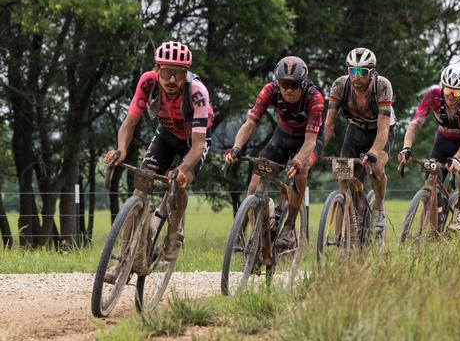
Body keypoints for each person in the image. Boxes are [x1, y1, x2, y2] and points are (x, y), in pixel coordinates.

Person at [104, 41, 214, 267]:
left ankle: (173, 237)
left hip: (194, 141)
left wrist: (181, 170)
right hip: (166, 134)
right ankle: (124, 258)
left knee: (180, 182)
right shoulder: (147, 81)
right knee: (141, 186)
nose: (172, 80)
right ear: (157, 70)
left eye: (179, 73)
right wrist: (121, 148)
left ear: (186, 73)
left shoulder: (197, 93)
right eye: (166, 72)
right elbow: (130, 122)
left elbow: (199, 145)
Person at [225, 56, 324, 250]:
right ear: (278, 82)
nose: (288, 89)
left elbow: (310, 141)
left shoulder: (315, 98)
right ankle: (259, 239)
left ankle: (289, 227)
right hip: (282, 135)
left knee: (301, 170)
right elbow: (250, 123)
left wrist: (296, 161)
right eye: (284, 84)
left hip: (309, 140)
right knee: (255, 183)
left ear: (303, 84)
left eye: (294, 85)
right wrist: (236, 148)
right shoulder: (270, 90)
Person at [397, 65, 460, 231]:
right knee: (430, 179)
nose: (450, 96)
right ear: (442, 87)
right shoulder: (433, 96)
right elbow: (414, 125)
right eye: (448, 90)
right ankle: (429, 220)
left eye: (456, 93)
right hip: (443, 140)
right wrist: (406, 147)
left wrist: (457, 159)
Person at [323, 48, 395, 241]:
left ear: (371, 72)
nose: (356, 77)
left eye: (361, 72)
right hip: (355, 129)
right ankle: (341, 237)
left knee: (378, 166)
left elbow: (383, 130)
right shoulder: (339, 85)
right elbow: (329, 125)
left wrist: (373, 152)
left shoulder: (382, 86)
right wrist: (316, 149)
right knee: (342, 176)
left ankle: (378, 206)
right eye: (352, 71)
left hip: (380, 130)